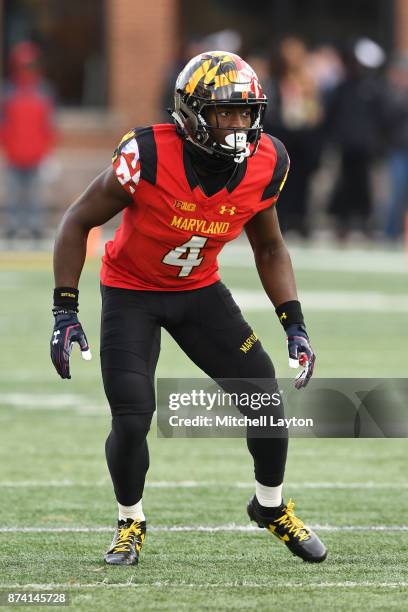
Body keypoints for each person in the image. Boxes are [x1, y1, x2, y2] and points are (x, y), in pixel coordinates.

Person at [50, 51, 327, 566]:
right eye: (225, 112)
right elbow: (77, 220)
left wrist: (295, 323)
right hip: (132, 290)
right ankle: (130, 520)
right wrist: (65, 309)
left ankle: (269, 507)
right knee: (132, 418)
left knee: (264, 397)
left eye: (246, 113)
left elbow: (269, 247)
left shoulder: (268, 161)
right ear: (192, 113)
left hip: (199, 291)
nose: (238, 125)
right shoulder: (149, 154)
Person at [0, 41, 55, 239]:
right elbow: (3, 123)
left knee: (35, 194)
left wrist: (48, 151)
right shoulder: (7, 92)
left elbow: (48, 124)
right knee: (14, 193)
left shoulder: (44, 91)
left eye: (30, 65)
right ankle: (13, 225)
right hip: (14, 152)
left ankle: (35, 226)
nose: (27, 70)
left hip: (36, 152)